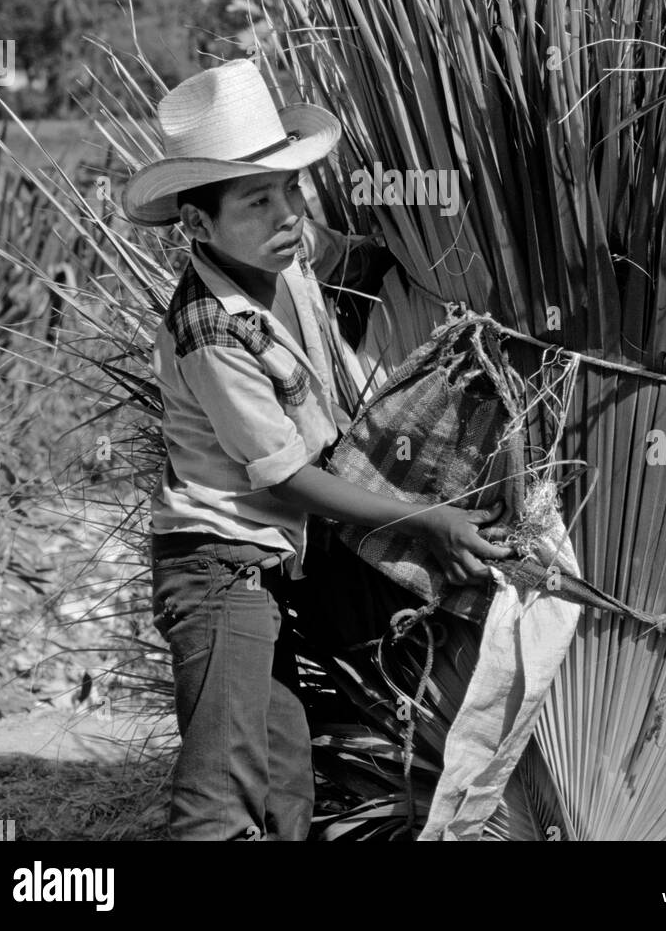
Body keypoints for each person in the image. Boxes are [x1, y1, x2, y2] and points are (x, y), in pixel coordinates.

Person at [122, 58, 510, 841]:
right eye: (257, 200)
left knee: (284, 788)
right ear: (197, 225)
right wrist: (426, 517)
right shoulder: (210, 327)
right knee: (220, 795)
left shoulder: (286, 251)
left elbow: (362, 254)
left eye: (292, 189)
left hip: (268, 568)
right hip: (216, 566)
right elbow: (287, 475)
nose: (287, 214)